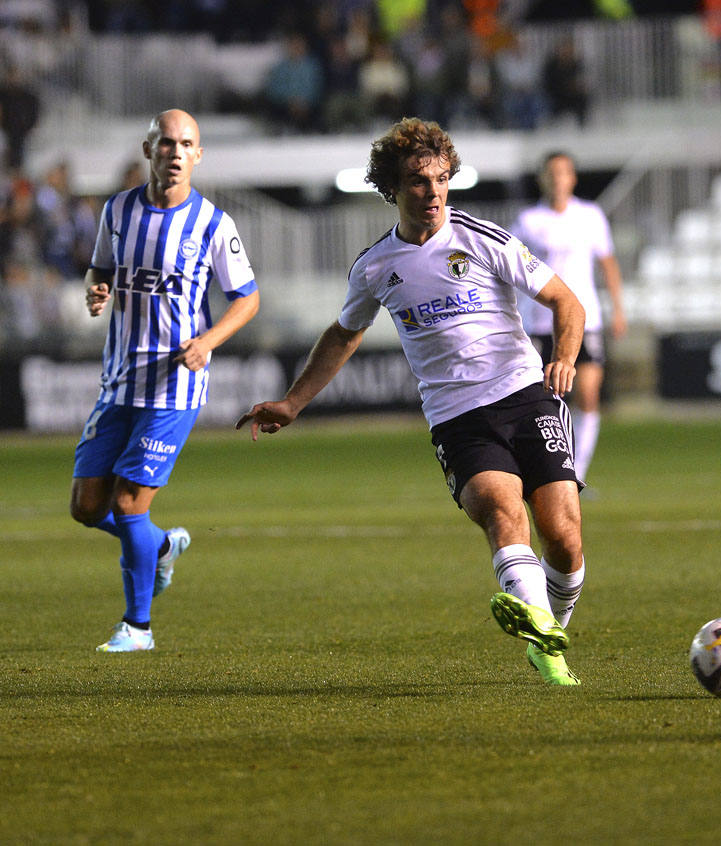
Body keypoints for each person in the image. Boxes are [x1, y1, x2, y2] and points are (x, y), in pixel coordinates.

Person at [237, 118, 589, 686]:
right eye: (420, 183)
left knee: (564, 535)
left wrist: (566, 356)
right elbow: (344, 333)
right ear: (392, 189)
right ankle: (546, 643)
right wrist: (294, 402)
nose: (434, 193)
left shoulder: (483, 239)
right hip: (458, 417)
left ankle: (550, 622)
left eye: (442, 179)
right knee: (503, 511)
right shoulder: (376, 266)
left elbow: (566, 302)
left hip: (528, 394)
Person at [70, 109, 260, 652]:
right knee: (88, 507)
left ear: (197, 156)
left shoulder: (212, 225)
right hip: (119, 380)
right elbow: (100, 270)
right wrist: (96, 291)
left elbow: (247, 298)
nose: (176, 152)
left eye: (187, 144)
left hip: (174, 386)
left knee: (130, 503)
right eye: (166, 143)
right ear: (148, 149)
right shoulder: (118, 211)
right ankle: (158, 548)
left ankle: (138, 627)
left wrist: (207, 342)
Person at [512, 151, 626, 484]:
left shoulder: (590, 216)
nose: (558, 178)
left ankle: (578, 471)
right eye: (552, 172)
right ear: (542, 178)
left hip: (584, 320)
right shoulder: (528, 221)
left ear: (573, 177)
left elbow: (608, 263)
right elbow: (512, 270)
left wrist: (618, 308)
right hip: (539, 322)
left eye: (564, 172)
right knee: (544, 401)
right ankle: (550, 469)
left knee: (587, 395)